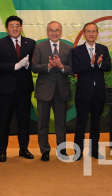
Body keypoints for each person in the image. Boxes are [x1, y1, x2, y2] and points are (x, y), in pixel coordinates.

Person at [0, 16, 36, 162]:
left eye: (17, 25)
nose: (15, 28)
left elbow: (34, 65)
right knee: (4, 121)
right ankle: (2, 150)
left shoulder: (30, 43)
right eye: (11, 26)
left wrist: (28, 65)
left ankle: (23, 149)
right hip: (6, 89)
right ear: (7, 28)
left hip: (24, 89)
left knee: (24, 120)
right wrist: (16, 66)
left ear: (21, 27)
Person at [32, 21, 74, 161]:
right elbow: (34, 67)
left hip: (62, 90)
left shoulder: (68, 48)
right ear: (47, 32)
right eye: (51, 30)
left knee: (61, 123)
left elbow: (73, 69)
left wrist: (61, 66)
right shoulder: (39, 47)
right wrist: (48, 66)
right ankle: (44, 150)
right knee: (42, 122)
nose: (54, 33)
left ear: (61, 32)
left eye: (57, 30)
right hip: (44, 89)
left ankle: (61, 150)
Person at [72, 22, 111, 160]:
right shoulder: (76, 51)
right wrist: (90, 64)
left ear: (97, 34)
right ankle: (78, 151)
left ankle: (94, 150)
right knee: (81, 123)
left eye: (93, 31)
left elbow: (108, 67)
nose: (91, 34)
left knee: (96, 123)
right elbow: (75, 69)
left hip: (98, 93)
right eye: (88, 31)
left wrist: (100, 63)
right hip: (83, 93)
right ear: (83, 33)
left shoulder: (103, 49)